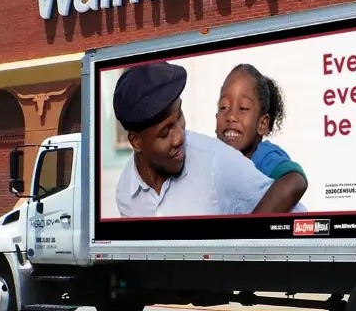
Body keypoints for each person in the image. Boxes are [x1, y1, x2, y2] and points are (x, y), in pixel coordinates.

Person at [111, 61, 303, 218]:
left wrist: (245, 243)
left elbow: (297, 209)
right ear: (136, 142)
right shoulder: (125, 194)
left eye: (179, 117)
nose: (179, 137)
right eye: (165, 132)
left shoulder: (217, 161)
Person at [215, 63, 308, 212]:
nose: (231, 116)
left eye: (243, 108)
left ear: (262, 124)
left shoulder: (263, 156)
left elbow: (295, 181)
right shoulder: (214, 159)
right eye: (223, 107)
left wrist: (253, 229)